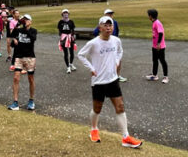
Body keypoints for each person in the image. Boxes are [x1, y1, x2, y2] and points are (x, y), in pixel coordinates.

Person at [76, 16, 142, 148]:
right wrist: (91, 68)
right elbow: (81, 55)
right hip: (99, 81)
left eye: (110, 25)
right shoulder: (93, 43)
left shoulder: (116, 41)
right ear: (99, 28)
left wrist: (117, 61)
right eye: (105, 25)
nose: (108, 28)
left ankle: (125, 137)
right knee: (97, 109)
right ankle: (94, 129)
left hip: (112, 80)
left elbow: (120, 51)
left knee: (120, 107)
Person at [7, 13, 38, 111]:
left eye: (27, 20)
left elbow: (33, 39)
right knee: (16, 78)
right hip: (19, 57)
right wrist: (17, 26)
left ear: (31, 21)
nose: (25, 21)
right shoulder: (18, 30)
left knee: (31, 78)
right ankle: (15, 102)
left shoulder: (33, 31)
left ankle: (31, 100)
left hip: (30, 57)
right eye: (23, 20)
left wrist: (26, 28)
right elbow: (11, 37)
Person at [93, 8, 126, 81]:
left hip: (113, 44)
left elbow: (117, 31)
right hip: (105, 45)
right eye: (108, 14)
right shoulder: (102, 24)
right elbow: (95, 32)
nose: (110, 15)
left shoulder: (115, 22)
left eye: (111, 14)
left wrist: (116, 41)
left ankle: (117, 76)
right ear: (105, 15)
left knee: (118, 61)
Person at [144, 8, 169, 83]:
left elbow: (161, 33)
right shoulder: (154, 22)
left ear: (151, 16)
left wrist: (158, 44)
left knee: (162, 61)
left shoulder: (157, 23)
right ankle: (154, 75)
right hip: (154, 46)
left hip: (159, 46)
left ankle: (166, 77)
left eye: (148, 15)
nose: (148, 17)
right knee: (155, 61)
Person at [57, 8, 77, 73]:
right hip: (64, 37)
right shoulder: (60, 22)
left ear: (68, 14)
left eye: (67, 13)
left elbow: (73, 30)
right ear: (62, 14)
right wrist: (61, 39)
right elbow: (59, 31)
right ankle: (68, 67)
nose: (65, 14)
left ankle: (71, 64)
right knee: (66, 53)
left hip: (70, 37)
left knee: (72, 52)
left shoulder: (71, 21)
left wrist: (73, 37)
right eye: (64, 13)